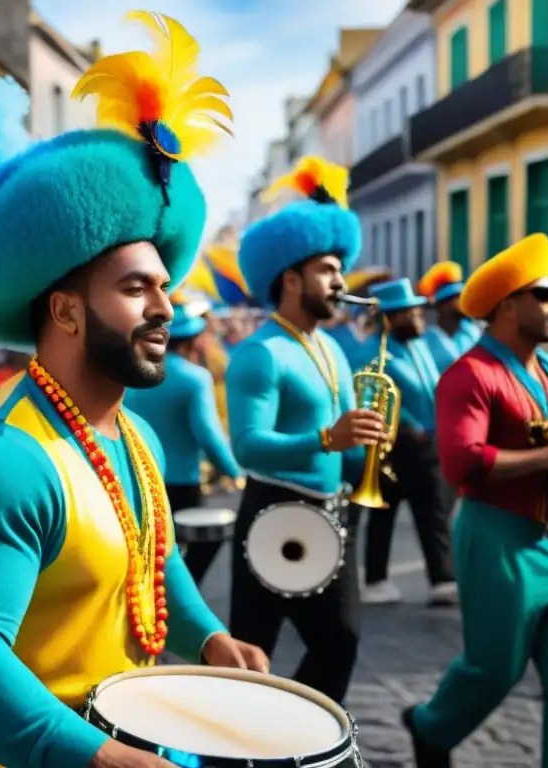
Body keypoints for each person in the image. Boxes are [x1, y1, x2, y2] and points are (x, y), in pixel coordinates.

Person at [0, 14, 267, 768]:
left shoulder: (132, 437)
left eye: (164, 286)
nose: (166, 307)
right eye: (136, 289)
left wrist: (209, 635)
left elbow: (152, 561)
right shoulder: (4, 462)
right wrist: (97, 758)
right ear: (67, 310)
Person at [226, 156, 387, 705]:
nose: (341, 280)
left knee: (341, 640)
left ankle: (299, 749)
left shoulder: (333, 348)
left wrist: (364, 450)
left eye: (342, 267)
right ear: (290, 278)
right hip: (271, 512)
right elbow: (245, 446)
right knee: (248, 658)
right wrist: (326, 440)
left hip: (328, 514)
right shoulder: (259, 353)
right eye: (327, 269)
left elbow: (342, 441)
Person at [403, 233, 548, 768]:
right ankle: (429, 728)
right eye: (545, 294)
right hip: (496, 539)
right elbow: (461, 463)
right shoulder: (469, 375)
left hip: (547, 540)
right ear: (509, 305)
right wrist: (543, 459)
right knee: (494, 668)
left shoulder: (547, 368)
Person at [355, 278, 457, 606]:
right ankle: (377, 580)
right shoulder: (372, 353)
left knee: (434, 511)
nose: (417, 318)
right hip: (397, 446)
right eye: (409, 313)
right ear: (389, 318)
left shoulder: (419, 345)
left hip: (428, 444)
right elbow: (371, 397)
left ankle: (442, 577)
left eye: (416, 312)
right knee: (388, 514)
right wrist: (407, 425)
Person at [125, 300, 242, 585]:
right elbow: (208, 435)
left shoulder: (134, 374)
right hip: (183, 485)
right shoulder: (194, 379)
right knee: (196, 550)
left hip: (134, 479)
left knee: (148, 554)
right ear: (194, 340)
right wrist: (235, 472)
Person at [417, 261, 482, 373]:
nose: (464, 302)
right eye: (458, 298)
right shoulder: (426, 340)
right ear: (444, 305)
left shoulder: (473, 333)